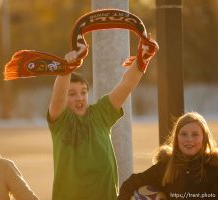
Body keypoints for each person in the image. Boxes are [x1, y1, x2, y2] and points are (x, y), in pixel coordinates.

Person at [46, 35, 157, 199]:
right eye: (72, 94)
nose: (79, 97)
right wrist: (66, 69)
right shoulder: (60, 122)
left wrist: (143, 58)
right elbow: (57, 97)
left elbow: (126, 85)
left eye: (83, 92)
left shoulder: (100, 113)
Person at [118, 112, 218, 200]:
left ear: (204, 138)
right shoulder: (165, 167)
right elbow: (130, 184)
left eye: (195, 134)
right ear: (176, 139)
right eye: (183, 134)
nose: (189, 139)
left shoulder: (214, 168)